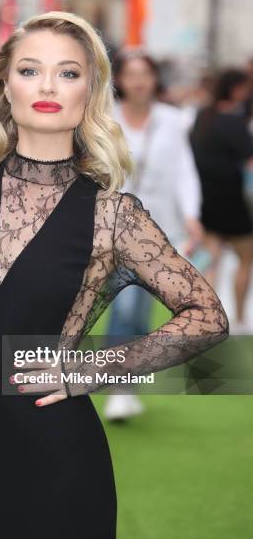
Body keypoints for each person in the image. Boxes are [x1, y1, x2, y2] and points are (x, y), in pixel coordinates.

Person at [0, 12, 229, 539]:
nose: (49, 86)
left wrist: (91, 370)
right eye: (31, 70)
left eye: (69, 72)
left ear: (91, 90)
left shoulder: (113, 216)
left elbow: (208, 315)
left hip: (60, 455)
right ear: (6, 85)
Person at [103, 50, 203, 420]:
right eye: (132, 74)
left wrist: (192, 215)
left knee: (139, 305)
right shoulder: (105, 119)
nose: (139, 81)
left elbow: (184, 171)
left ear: (155, 78)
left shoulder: (173, 121)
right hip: (114, 225)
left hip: (160, 227)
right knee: (126, 302)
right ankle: (119, 385)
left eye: (146, 73)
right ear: (121, 80)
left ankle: (124, 381)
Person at [190, 68, 253, 334]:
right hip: (233, 199)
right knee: (245, 258)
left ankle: (209, 318)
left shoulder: (202, 117)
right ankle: (238, 316)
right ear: (235, 89)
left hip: (206, 198)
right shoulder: (234, 122)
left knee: (211, 260)